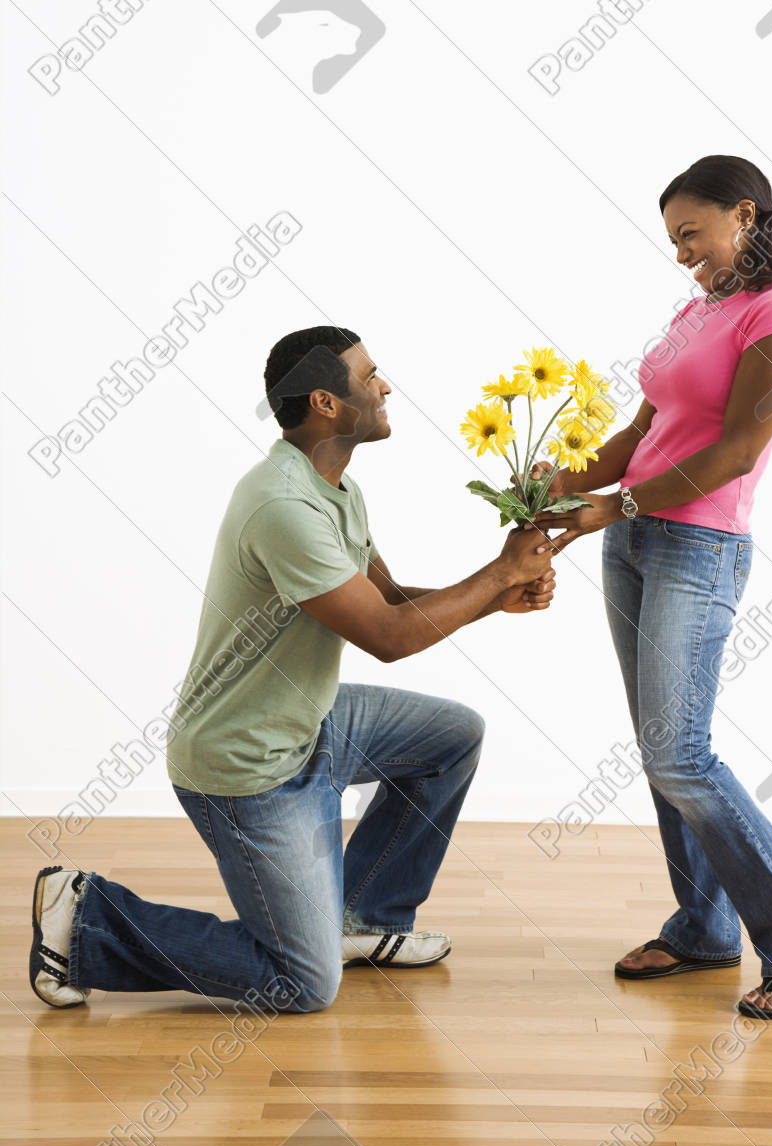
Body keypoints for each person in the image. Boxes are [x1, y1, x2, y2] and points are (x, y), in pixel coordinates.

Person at [30, 327, 556, 1014]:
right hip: (247, 762)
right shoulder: (284, 505)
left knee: (451, 737)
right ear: (325, 404)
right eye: (370, 377)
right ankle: (86, 918)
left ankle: (362, 920)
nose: (386, 386)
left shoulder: (336, 489)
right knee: (302, 984)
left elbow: (386, 601)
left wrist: (497, 597)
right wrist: (499, 571)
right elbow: (388, 639)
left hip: (307, 720)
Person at [529, 155, 772, 1021]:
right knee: (660, 751)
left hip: (697, 546)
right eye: (672, 239)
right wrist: (564, 484)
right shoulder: (695, 311)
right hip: (632, 540)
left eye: (691, 233)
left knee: (682, 753)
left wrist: (616, 504)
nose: (680, 253)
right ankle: (704, 927)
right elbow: (643, 430)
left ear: (742, 216)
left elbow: (735, 453)